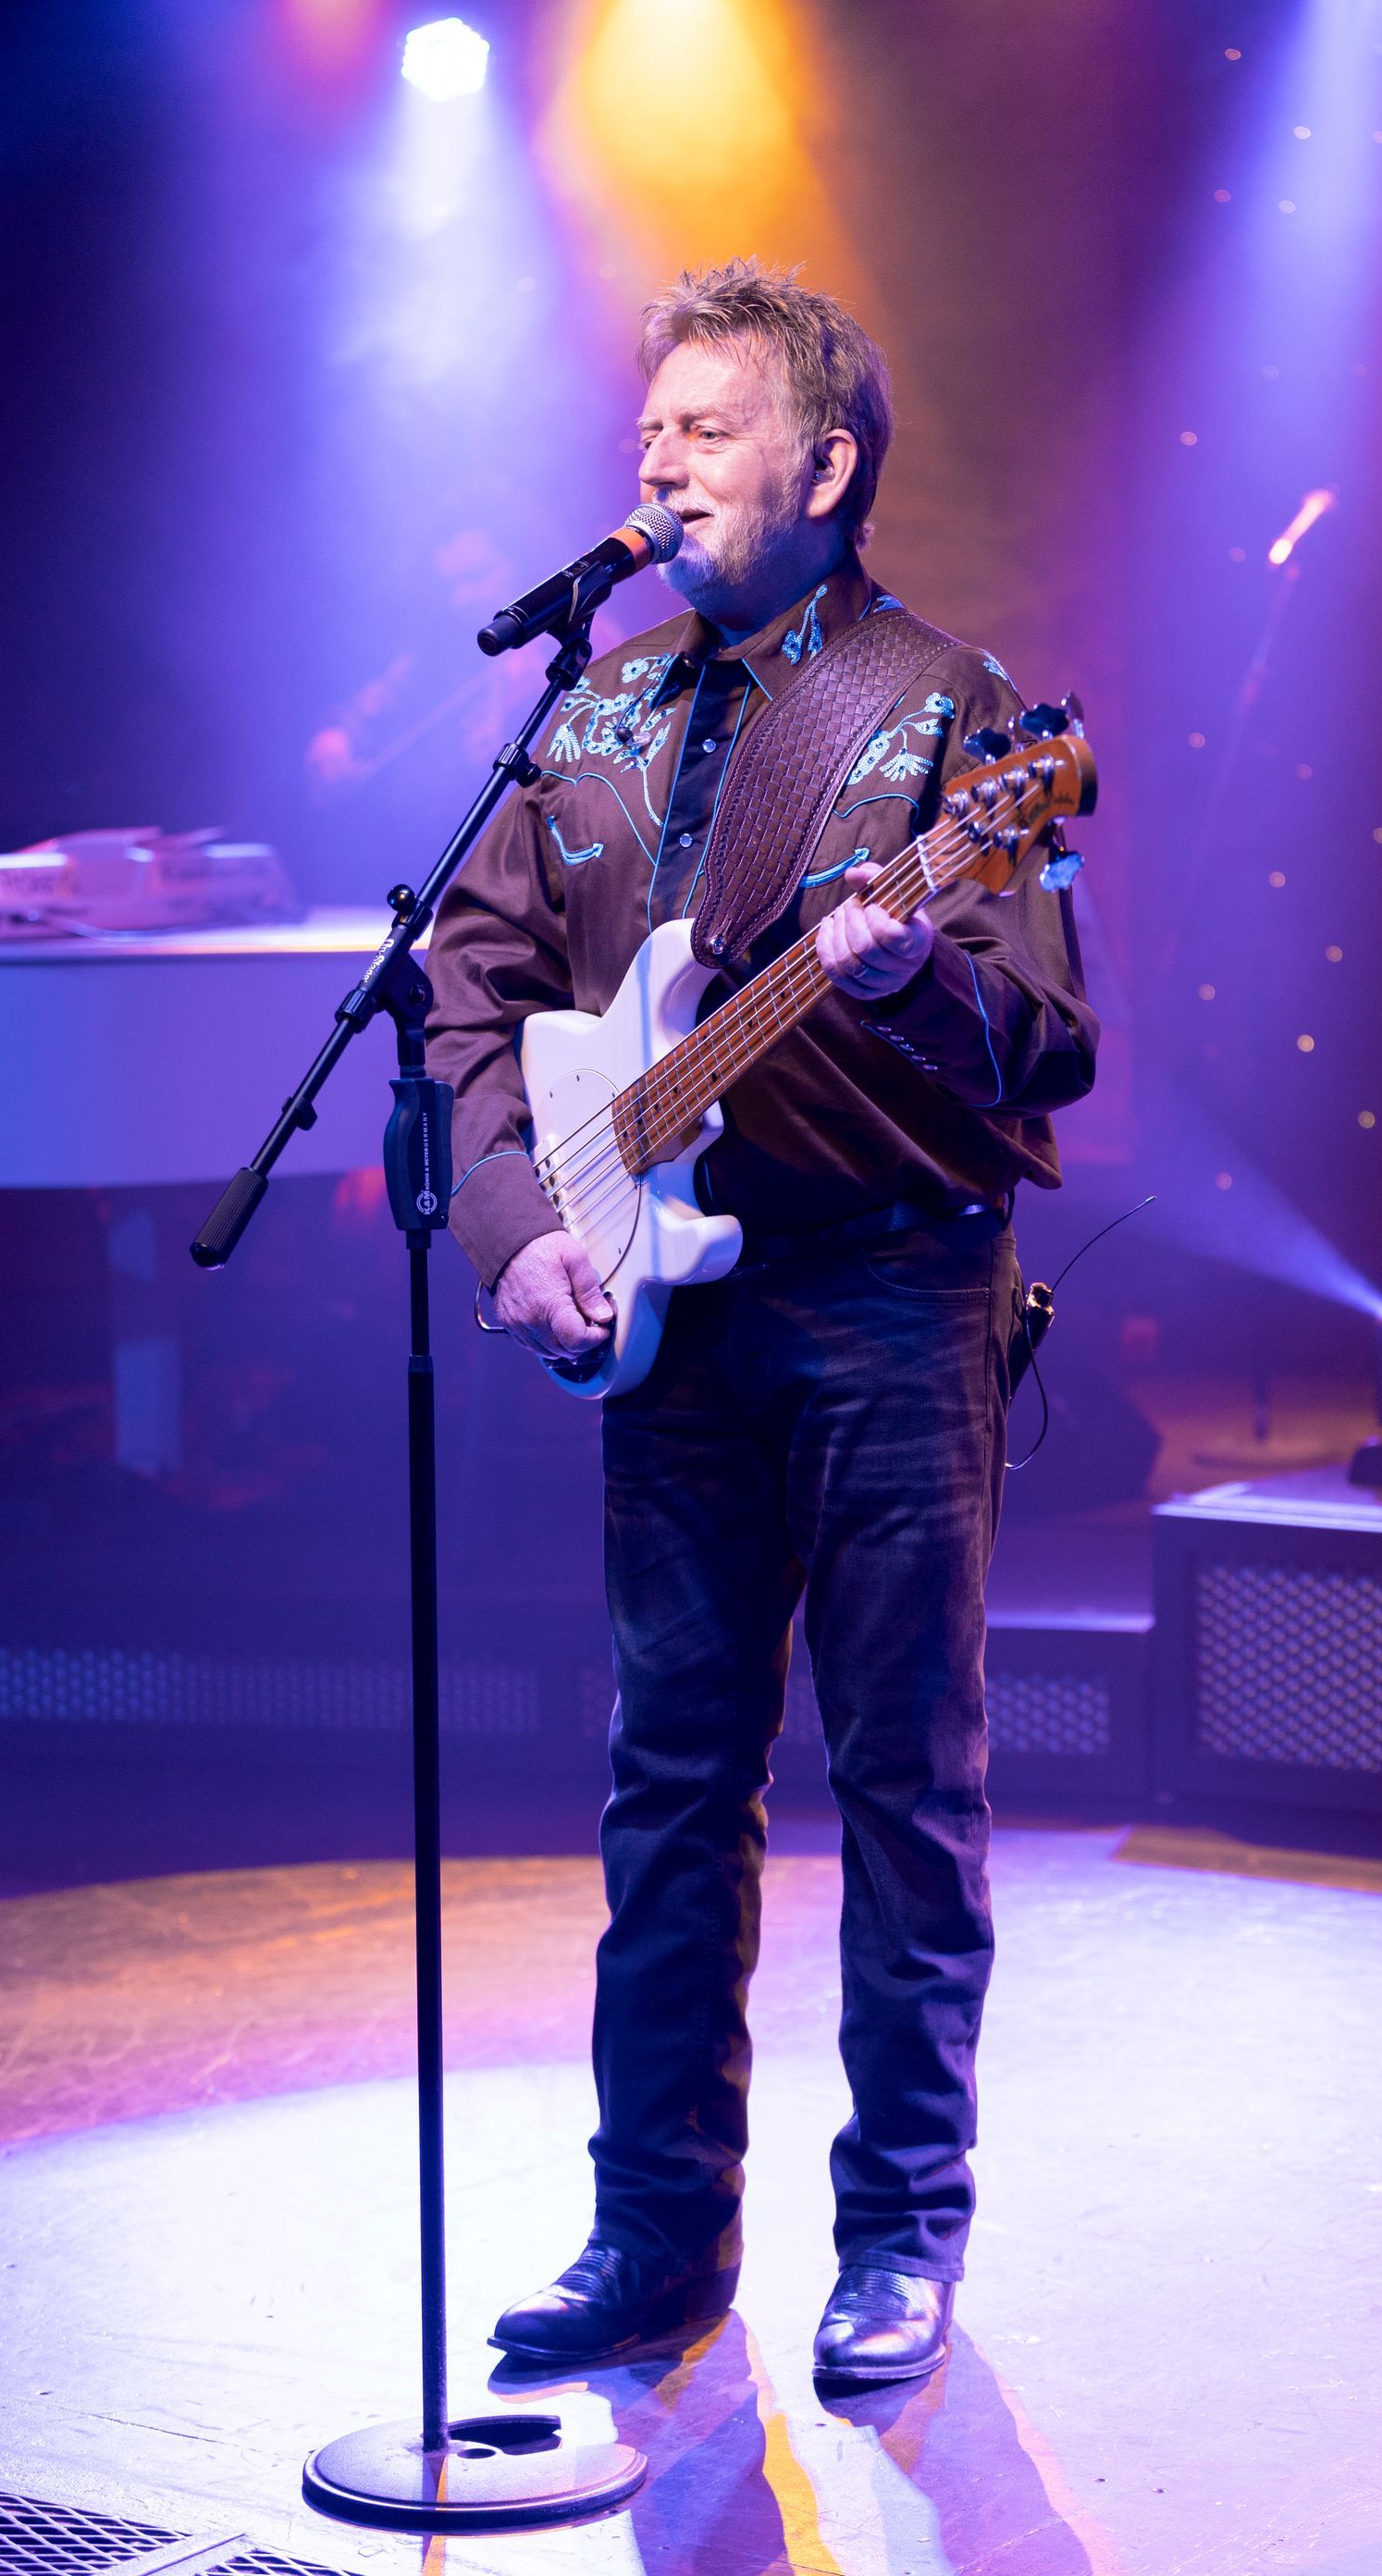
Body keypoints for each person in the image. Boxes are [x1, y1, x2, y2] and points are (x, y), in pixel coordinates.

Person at [426, 259, 1098, 2387]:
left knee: (909, 1778)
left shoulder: (950, 711)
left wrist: (919, 974)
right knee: (668, 1786)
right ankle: (656, 2239)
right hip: (671, 1310)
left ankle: (900, 2231)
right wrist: (519, 1216)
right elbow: (469, 994)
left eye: (709, 428)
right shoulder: (592, 711)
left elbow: (1047, 1037)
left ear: (829, 462)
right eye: (652, 429)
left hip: (895, 1289)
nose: (660, 458)